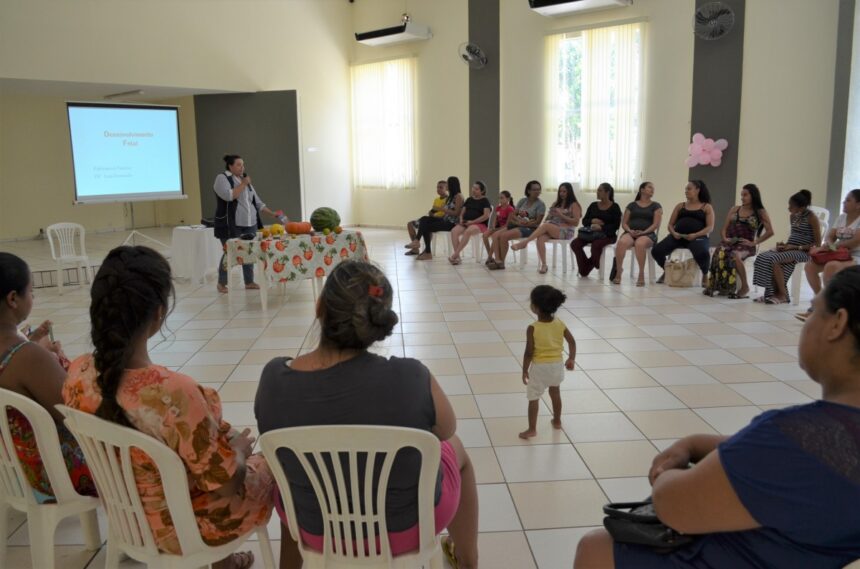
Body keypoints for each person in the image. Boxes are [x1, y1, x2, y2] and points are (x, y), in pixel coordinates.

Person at [574, 266, 860, 569]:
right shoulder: (820, 440)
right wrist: (696, 443)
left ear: (837, 324)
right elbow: (809, 463)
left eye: (813, 310)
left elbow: (674, 505)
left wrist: (666, 475)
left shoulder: (793, 435)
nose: (807, 322)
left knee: (596, 548)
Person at [255, 261, 479, 569]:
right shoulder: (411, 377)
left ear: (319, 307)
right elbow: (446, 428)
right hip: (408, 530)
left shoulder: (273, 379)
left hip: (315, 531)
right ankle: (468, 561)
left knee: (290, 482)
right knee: (456, 449)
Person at [63, 246, 273, 569]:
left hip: (125, 519)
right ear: (159, 313)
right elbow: (226, 484)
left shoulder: (76, 374)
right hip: (182, 531)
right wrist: (241, 452)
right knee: (273, 466)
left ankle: (225, 563)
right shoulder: (174, 394)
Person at [0, 252, 96, 502]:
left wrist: (33, 346)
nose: (33, 297)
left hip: (7, 470)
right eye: (31, 291)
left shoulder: (23, 354)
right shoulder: (28, 357)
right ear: (13, 299)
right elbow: (75, 416)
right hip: (43, 475)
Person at [213, 154, 282, 294]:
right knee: (230, 252)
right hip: (231, 224)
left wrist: (272, 213)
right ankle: (221, 282)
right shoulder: (222, 178)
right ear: (230, 166)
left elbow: (257, 202)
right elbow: (229, 196)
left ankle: (249, 281)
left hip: (250, 223)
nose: (242, 167)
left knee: (249, 252)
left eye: (243, 165)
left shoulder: (244, 180)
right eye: (238, 165)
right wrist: (243, 184)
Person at [519, 285, 576, 440]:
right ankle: (557, 420)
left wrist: (524, 370)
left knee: (533, 397)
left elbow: (529, 352)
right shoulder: (560, 324)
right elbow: (572, 342)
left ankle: (532, 429)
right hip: (557, 366)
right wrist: (571, 358)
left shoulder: (532, 328)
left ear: (535, 308)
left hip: (539, 368)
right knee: (555, 392)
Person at [704, 183, 774, 298]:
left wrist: (755, 242)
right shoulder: (734, 209)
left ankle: (745, 286)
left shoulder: (760, 212)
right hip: (730, 242)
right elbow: (724, 229)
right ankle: (720, 286)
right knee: (719, 251)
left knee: (735, 255)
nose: (742, 197)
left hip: (746, 245)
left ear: (753, 196)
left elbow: (770, 231)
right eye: (741, 195)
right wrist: (725, 238)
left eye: (745, 195)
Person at [752, 190, 821, 304]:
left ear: (801, 207)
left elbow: (817, 244)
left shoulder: (812, 217)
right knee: (763, 256)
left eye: (791, 206)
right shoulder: (793, 216)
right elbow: (793, 236)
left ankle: (783, 295)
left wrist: (797, 247)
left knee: (775, 260)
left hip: (804, 252)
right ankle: (770, 294)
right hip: (791, 249)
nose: (788, 208)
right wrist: (784, 245)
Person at [800, 189, 860, 318]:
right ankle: (820, 301)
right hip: (838, 254)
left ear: (858, 204)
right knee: (810, 266)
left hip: (855, 256)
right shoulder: (841, 218)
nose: (844, 202)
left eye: (848, 200)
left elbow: (855, 242)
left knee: (831, 267)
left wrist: (831, 246)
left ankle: (830, 307)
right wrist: (828, 244)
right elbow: (830, 236)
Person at [651, 180, 716, 285]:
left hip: (697, 237)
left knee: (702, 252)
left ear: (697, 190)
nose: (686, 191)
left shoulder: (706, 207)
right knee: (656, 251)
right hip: (677, 237)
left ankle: (705, 274)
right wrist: (674, 233)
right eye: (685, 189)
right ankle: (668, 271)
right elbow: (670, 225)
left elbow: (710, 227)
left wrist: (695, 234)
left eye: (689, 189)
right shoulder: (680, 206)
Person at [511, 182, 582, 274]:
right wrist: (550, 215)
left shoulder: (574, 204)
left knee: (546, 226)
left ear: (569, 192)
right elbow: (548, 219)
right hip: (553, 228)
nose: (562, 193)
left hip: (566, 231)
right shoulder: (556, 203)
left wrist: (560, 215)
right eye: (560, 191)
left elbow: (576, 222)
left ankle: (525, 242)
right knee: (540, 238)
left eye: (564, 191)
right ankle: (544, 265)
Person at [487, 180, 546, 270]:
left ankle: (501, 262)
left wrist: (526, 223)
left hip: (530, 228)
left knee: (503, 236)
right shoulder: (523, 201)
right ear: (529, 191)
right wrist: (519, 221)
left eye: (538, 189)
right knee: (495, 235)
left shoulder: (540, 204)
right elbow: (513, 215)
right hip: (517, 224)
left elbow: (537, 222)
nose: (537, 191)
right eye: (534, 190)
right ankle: (498, 260)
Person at [612, 182, 663, 287]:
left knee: (640, 243)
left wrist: (644, 232)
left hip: (648, 234)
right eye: (650, 187)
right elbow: (624, 223)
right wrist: (630, 231)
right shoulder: (632, 205)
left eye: (653, 188)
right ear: (642, 190)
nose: (652, 190)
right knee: (622, 242)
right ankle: (618, 270)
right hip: (631, 232)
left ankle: (641, 273)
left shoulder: (656, 206)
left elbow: (655, 224)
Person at [570, 183, 622, 278]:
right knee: (575, 243)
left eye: (600, 190)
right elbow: (585, 221)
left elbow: (616, 225)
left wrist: (601, 227)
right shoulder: (593, 205)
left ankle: (589, 266)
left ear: (607, 192)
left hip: (607, 235)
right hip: (590, 234)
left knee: (596, 244)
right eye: (597, 190)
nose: (597, 192)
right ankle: (588, 265)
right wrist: (592, 221)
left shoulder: (615, 207)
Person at [411, 176, 465, 261]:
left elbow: (456, 213)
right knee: (424, 219)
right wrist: (434, 213)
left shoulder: (459, 196)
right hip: (444, 219)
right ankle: (417, 241)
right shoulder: (450, 197)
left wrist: (442, 209)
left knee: (426, 227)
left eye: (447, 183)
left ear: (452, 185)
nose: (446, 185)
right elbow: (446, 212)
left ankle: (427, 252)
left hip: (451, 223)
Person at [448, 180, 492, 265]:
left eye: (476, 189)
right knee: (454, 231)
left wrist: (473, 222)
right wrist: (461, 219)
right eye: (473, 188)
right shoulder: (469, 199)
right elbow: (462, 212)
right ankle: (458, 258)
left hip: (480, 224)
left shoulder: (485, 200)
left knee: (468, 231)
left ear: (482, 191)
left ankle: (455, 255)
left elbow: (486, 216)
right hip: (466, 222)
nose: (473, 190)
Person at [405, 180, 448, 255]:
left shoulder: (448, 200)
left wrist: (434, 214)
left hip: (439, 221)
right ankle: (415, 248)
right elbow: (432, 211)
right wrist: (432, 213)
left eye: (441, 187)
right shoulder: (436, 200)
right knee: (410, 224)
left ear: (446, 188)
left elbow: (444, 214)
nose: (438, 189)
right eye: (437, 187)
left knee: (426, 224)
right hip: (431, 218)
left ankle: (426, 250)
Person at [483, 190, 515, 265]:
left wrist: (496, 229)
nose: (500, 200)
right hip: (498, 227)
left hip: (506, 228)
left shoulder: (510, 209)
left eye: (502, 198)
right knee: (485, 235)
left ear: (508, 199)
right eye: (499, 198)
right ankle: (490, 255)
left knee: (495, 236)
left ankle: (490, 257)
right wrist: (494, 226)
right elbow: (496, 219)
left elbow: (508, 224)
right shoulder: (498, 208)